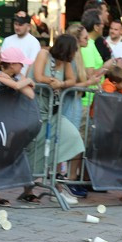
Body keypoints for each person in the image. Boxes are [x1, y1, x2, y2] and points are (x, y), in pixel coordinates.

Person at [23, 34, 85, 204]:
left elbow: (72, 80)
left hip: (54, 111)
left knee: (72, 137)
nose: (75, 54)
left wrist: (62, 84)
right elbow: (38, 76)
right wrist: (54, 81)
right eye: (73, 50)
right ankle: (28, 189)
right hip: (37, 109)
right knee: (35, 149)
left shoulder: (65, 63)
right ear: (66, 49)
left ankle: (57, 184)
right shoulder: (44, 54)